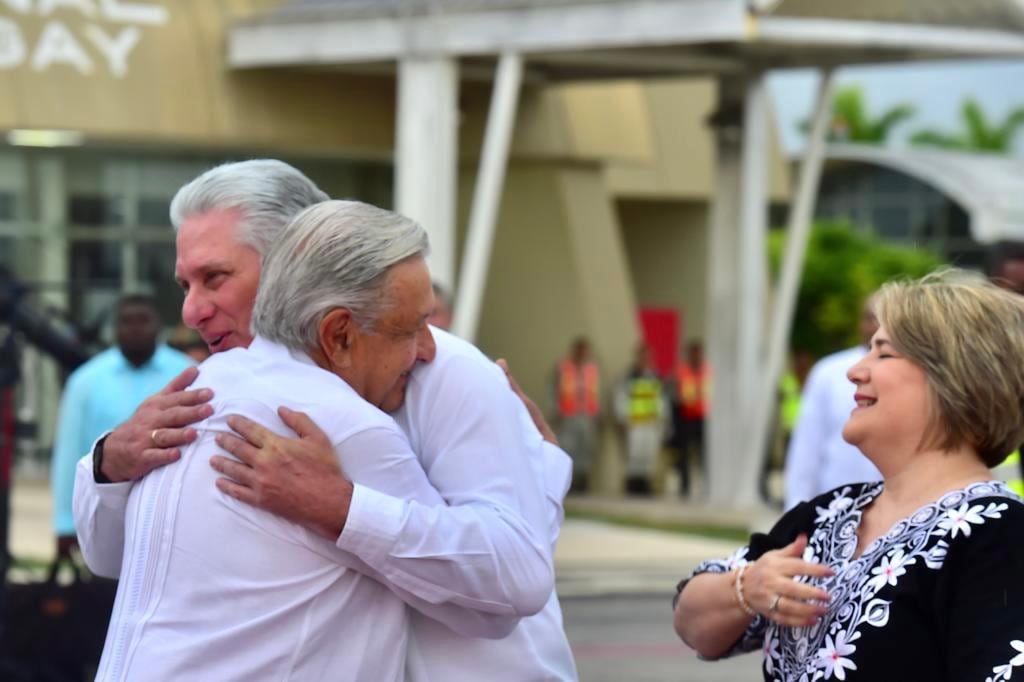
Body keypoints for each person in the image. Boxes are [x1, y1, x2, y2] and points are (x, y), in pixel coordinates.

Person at [73, 160, 577, 680]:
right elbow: (118, 564)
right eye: (185, 285)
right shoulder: (206, 394)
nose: (191, 311)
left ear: (298, 260)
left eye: (214, 278)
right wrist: (110, 464)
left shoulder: (441, 370)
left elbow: (513, 578)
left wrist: (338, 506)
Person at [673, 269, 1024, 681]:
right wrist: (746, 589)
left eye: (883, 353)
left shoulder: (999, 537)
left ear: (957, 378)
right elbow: (693, 623)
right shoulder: (831, 514)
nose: (855, 370)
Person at [50, 294, 192, 555]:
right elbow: (68, 452)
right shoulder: (85, 381)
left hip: (176, 520)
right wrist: (64, 523)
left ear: (158, 325)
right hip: (107, 518)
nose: (135, 327)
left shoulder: (189, 374)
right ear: (114, 328)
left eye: (143, 320)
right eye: (127, 321)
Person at [782, 296, 882, 510]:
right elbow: (806, 448)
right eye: (869, 317)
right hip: (834, 506)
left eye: (882, 317)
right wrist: (796, 510)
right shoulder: (829, 372)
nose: (874, 325)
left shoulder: (914, 375)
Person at [614, 343, 666, 495]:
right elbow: (621, 398)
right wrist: (622, 418)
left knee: (648, 455)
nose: (645, 359)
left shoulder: (654, 376)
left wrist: (660, 417)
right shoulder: (629, 377)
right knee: (634, 455)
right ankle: (633, 485)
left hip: (650, 423)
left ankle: (645, 485)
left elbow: (659, 399)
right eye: (642, 356)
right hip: (634, 423)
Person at [552, 336, 600, 491]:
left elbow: (595, 392)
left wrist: (597, 414)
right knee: (568, 448)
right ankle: (567, 483)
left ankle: (582, 483)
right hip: (568, 415)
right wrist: (555, 409)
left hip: (586, 415)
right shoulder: (564, 368)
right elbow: (554, 390)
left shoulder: (591, 369)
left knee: (585, 450)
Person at [672, 341, 709, 499]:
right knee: (685, 455)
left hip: (703, 417)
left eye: (698, 353)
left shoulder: (708, 371)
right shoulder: (682, 372)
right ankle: (684, 487)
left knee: (705, 455)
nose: (696, 357)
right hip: (686, 417)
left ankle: (707, 486)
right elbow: (677, 395)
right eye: (693, 353)